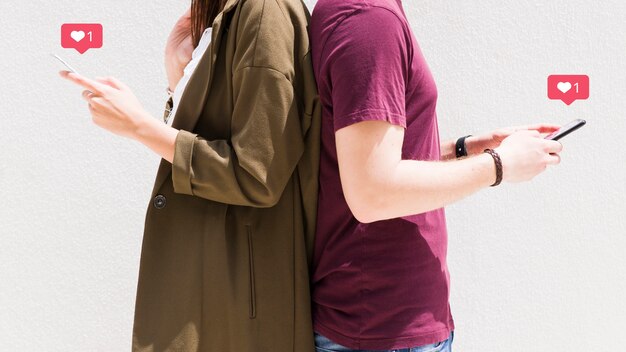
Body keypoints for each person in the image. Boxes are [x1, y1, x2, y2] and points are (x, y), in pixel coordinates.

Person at [60, 0, 320, 350]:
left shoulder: (263, 11)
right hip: (215, 289)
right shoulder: (231, 15)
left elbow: (257, 174)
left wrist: (139, 126)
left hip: (239, 302)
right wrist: (177, 76)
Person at [308, 0, 563, 351]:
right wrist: (499, 165)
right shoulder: (369, 21)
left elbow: (370, 156)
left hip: (387, 323)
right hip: (384, 328)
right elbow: (372, 191)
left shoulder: (366, 13)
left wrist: (467, 147)